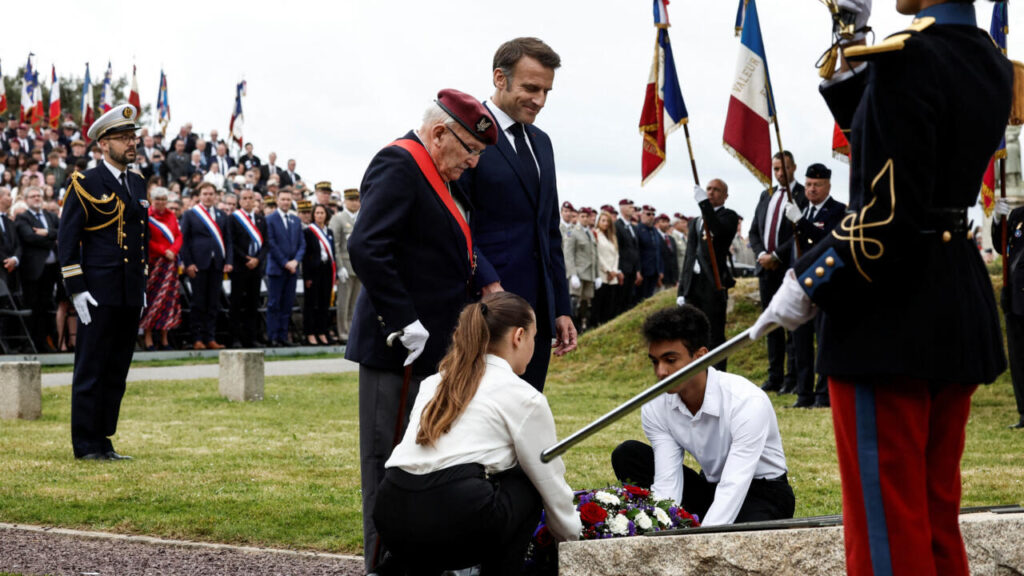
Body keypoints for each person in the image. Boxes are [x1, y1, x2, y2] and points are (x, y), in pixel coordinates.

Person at [752, 1, 1012, 573]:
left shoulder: (908, 58)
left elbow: (887, 211)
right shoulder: (990, 61)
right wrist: (851, 59)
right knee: (934, 511)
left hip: (887, 309)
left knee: (886, 526)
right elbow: (911, 149)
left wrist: (809, 279)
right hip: (951, 297)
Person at [345, 88, 498, 574]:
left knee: (426, 452)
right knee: (387, 459)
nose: (472, 163)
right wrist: (403, 318)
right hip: (399, 347)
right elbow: (368, 247)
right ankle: (380, 564)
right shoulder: (399, 162)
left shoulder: (436, 172)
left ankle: (418, 558)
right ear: (438, 133)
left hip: (433, 345)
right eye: (470, 150)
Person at [374, 292, 581, 575]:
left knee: (458, 486)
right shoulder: (524, 397)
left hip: (390, 513)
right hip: (455, 521)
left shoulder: (435, 382)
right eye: (535, 336)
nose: (535, 346)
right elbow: (549, 481)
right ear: (519, 336)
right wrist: (573, 538)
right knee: (527, 481)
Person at [460, 37, 577, 391]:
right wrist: (487, 282)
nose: (539, 100)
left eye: (546, 91)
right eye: (530, 88)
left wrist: (559, 307)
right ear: (500, 78)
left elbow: (548, 231)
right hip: (485, 305)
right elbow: (457, 222)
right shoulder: (465, 133)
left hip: (537, 310)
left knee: (525, 406)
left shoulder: (542, 142)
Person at [612, 305, 794, 526]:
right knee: (629, 455)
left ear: (700, 357)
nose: (661, 372)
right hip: (710, 486)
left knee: (737, 542)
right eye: (655, 361)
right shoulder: (655, 405)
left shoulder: (746, 400)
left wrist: (703, 539)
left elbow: (735, 483)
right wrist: (661, 526)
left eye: (670, 360)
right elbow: (667, 481)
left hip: (762, 490)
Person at [58, 104, 148, 460]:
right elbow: (67, 240)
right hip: (96, 291)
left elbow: (138, 240)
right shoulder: (86, 183)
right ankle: (84, 443)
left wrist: (141, 288)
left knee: (116, 370)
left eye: (133, 137)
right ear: (103, 144)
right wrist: (76, 288)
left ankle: (103, 440)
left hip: (127, 291)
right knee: (91, 368)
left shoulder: (137, 181)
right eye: (124, 138)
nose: (131, 144)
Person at [783, 163, 845, 409]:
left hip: (823, 282)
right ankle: (804, 392)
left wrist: (800, 222)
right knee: (801, 342)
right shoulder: (801, 211)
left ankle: (822, 394)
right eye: (808, 184)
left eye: (817, 185)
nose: (811, 189)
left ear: (827, 185)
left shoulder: (837, 210)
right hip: (800, 285)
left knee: (823, 340)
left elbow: (826, 241)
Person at [748, 151, 807, 394]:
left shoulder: (802, 195)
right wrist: (762, 254)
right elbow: (754, 231)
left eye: (784, 168)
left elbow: (800, 231)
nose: (780, 173)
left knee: (791, 324)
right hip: (765, 269)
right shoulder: (767, 194)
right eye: (775, 169)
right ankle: (775, 376)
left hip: (787, 267)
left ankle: (792, 378)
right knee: (770, 324)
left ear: (793, 168)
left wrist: (777, 256)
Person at [676, 179, 738, 370]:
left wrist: (704, 204)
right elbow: (689, 256)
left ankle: (717, 372)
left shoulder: (729, 216)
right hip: (693, 283)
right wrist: (681, 289)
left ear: (725, 196)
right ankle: (694, 372)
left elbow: (718, 231)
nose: (711, 193)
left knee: (714, 333)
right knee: (690, 333)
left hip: (713, 283)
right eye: (708, 189)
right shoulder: (695, 222)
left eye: (716, 190)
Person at [180, 181, 233, 350]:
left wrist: (229, 261)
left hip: (216, 264)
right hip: (198, 265)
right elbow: (183, 241)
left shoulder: (221, 215)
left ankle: (210, 337)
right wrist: (188, 263)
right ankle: (197, 338)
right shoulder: (190, 214)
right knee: (198, 303)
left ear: (216, 196)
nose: (208, 197)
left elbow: (228, 241)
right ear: (199, 196)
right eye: (205, 194)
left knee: (213, 303)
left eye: (211, 194)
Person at [16, 186, 60, 351]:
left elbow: (63, 231)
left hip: (51, 270)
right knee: (33, 307)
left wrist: (46, 232)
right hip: (33, 271)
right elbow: (29, 237)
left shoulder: (50, 216)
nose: (36, 198)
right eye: (33, 196)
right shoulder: (23, 218)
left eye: (38, 195)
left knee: (47, 307)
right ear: (26, 200)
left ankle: (43, 342)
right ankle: (29, 344)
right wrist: (52, 238)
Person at [994, 197, 1024, 429]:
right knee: (1018, 358)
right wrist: (997, 220)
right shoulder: (1017, 217)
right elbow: (1000, 245)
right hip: (1015, 298)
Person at [141, 187, 183, 351]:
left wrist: (173, 250)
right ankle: (148, 337)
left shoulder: (171, 215)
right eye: (157, 199)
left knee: (167, 301)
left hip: (169, 264)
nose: (160, 202)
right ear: (152, 200)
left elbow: (178, 235)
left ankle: (165, 339)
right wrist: (163, 250)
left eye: (163, 199)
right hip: (154, 263)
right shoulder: (147, 216)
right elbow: (146, 239)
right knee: (152, 300)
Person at [228, 187, 268, 348]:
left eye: (251, 198)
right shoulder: (233, 219)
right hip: (240, 266)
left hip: (256, 268)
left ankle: (251, 338)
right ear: (240, 201)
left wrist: (257, 260)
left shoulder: (260, 219)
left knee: (253, 304)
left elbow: (266, 244)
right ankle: (235, 339)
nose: (248, 201)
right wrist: (246, 258)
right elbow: (232, 243)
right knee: (237, 304)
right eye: (244, 198)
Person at [265, 186, 305, 347]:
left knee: (287, 304)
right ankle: (273, 337)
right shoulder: (270, 219)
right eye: (283, 199)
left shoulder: (296, 220)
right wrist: (285, 262)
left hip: (293, 269)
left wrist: (295, 261)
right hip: (277, 269)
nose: (286, 202)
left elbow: (302, 243)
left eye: (288, 199)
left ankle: (283, 336)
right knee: (274, 304)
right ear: (277, 200)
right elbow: (271, 243)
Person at [328, 187, 360, 344]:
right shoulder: (338, 218)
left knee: (355, 303)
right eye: (351, 200)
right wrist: (339, 266)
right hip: (345, 266)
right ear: (345, 201)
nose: (355, 203)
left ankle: (353, 331)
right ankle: (343, 332)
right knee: (344, 302)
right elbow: (335, 243)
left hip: (359, 267)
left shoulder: (362, 217)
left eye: (357, 200)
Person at [302, 203, 335, 346]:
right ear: (313, 215)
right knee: (311, 304)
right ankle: (310, 333)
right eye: (317, 213)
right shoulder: (309, 231)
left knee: (324, 303)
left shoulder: (329, 232)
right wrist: (307, 276)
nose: (320, 215)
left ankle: (322, 332)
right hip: (313, 271)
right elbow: (306, 255)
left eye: (322, 213)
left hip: (327, 270)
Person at [564, 206, 598, 332]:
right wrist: (572, 274)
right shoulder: (572, 232)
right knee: (574, 302)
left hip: (589, 274)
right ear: (578, 217)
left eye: (587, 216)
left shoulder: (590, 233)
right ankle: (571, 328)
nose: (585, 219)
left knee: (586, 302)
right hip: (578, 273)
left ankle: (582, 327)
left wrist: (597, 275)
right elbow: (568, 254)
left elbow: (595, 255)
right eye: (582, 216)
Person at [592, 209, 621, 327]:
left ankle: (606, 325)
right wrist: (608, 270)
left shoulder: (612, 237)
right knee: (599, 302)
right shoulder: (595, 234)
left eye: (607, 221)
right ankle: (595, 325)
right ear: (598, 221)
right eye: (603, 220)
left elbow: (616, 255)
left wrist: (614, 270)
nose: (605, 223)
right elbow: (597, 255)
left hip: (613, 274)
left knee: (610, 303)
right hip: (602, 273)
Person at [615, 198, 641, 314]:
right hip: (623, 268)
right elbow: (617, 249)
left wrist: (638, 270)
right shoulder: (617, 225)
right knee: (620, 299)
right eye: (630, 207)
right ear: (622, 208)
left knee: (629, 299)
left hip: (632, 269)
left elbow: (636, 249)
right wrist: (619, 268)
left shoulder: (633, 227)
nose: (633, 209)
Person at [636, 204, 664, 299]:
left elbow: (658, 251)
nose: (651, 217)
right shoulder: (638, 229)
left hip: (654, 271)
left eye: (653, 214)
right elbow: (637, 252)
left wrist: (660, 270)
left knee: (650, 297)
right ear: (642, 215)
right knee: (641, 298)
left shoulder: (655, 231)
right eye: (648, 214)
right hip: (644, 271)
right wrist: (638, 270)